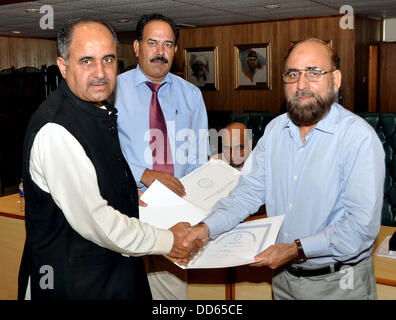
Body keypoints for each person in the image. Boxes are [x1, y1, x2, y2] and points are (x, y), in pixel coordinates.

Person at [184, 38, 385, 300]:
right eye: (293, 74)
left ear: (335, 81)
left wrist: (296, 249)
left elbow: (360, 228)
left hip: (339, 284)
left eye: (314, 73)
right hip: (283, 280)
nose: (302, 85)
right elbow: (247, 194)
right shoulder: (274, 131)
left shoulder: (358, 138)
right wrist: (205, 228)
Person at [17, 19, 201, 300]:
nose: (100, 72)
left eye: (108, 59)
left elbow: (104, 174)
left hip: (111, 273)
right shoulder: (57, 130)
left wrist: (125, 194)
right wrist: (168, 241)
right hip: (71, 283)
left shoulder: (97, 110)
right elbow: (97, 221)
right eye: (87, 61)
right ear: (63, 66)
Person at [115, 13, 209, 300]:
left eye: (167, 45)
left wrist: (195, 207)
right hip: (126, 207)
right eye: (152, 43)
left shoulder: (191, 95)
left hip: (174, 215)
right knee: (121, 289)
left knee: (170, 297)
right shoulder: (110, 91)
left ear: (176, 51)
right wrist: (143, 174)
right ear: (136, 47)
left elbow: (198, 157)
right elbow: (98, 155)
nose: (160, 52)